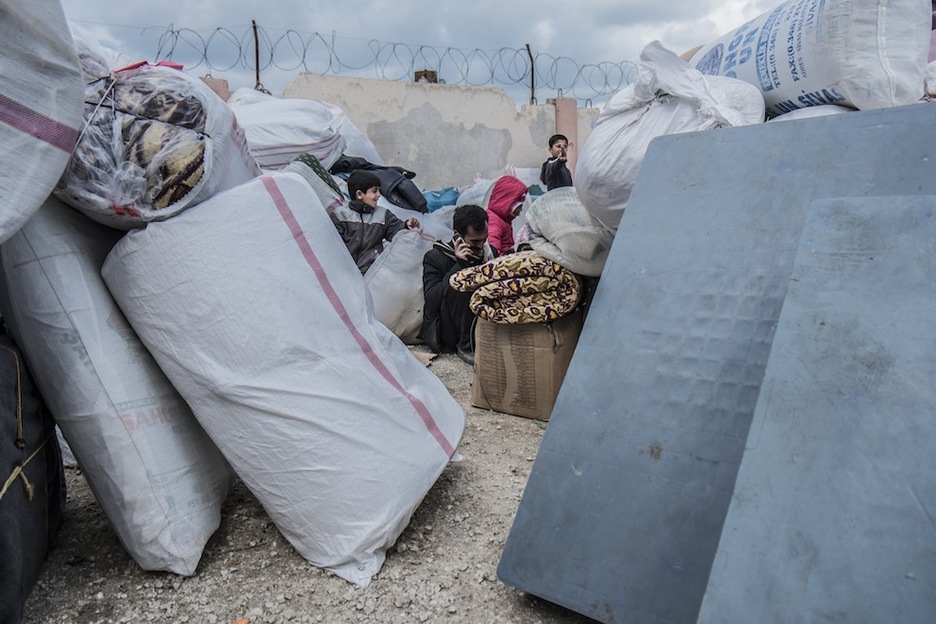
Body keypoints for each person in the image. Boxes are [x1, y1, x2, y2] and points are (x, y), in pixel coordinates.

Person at [419, 204, 497, 365]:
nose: (481, 245)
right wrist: (459, 266)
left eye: (484, 239)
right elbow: (432, 301)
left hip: (481, 321)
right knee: (461, 282)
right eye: (474, 241)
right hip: (447, 328)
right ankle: (466, 345)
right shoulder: (436, 257)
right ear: (458, 236)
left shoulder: (490, 253)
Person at [330, 169, 419, 274]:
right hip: (344, 274)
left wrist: (406, 225)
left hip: (372, 273)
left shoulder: (383, 215)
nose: (379, 195)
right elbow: (333, 247)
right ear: (359, 194)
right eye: (374, 191)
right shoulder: (340, 216)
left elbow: (395, 229)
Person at [484, 175, 528, 255]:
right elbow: (493, 252)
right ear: (509, 204)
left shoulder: (503, 219)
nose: (520, 210)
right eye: (519, 206)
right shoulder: (493, 221)